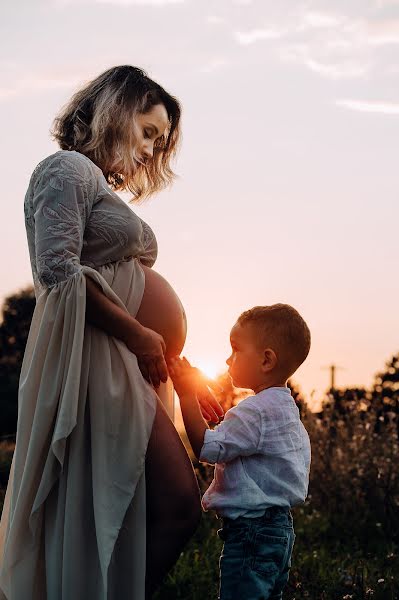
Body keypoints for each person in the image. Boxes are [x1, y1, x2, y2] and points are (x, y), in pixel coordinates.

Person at [0, 65, 223, 600]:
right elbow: (57, 271)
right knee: (175, 505)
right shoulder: (66, 169)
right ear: (116, 112)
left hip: (129, 364)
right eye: (148, 132)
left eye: (160, 141)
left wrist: (172, 359)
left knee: (143, 510)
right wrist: (142, 335)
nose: (151, 151)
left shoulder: (93, 183)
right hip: (100, 360)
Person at [168, 303, 312, 600]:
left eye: (235, 350)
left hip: (250, 533)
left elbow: (207, 448)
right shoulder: (284, 410)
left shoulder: (254, 411)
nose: (228, 359)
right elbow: (242, 445)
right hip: (280, 530)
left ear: (266, 360)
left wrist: (185, 394)